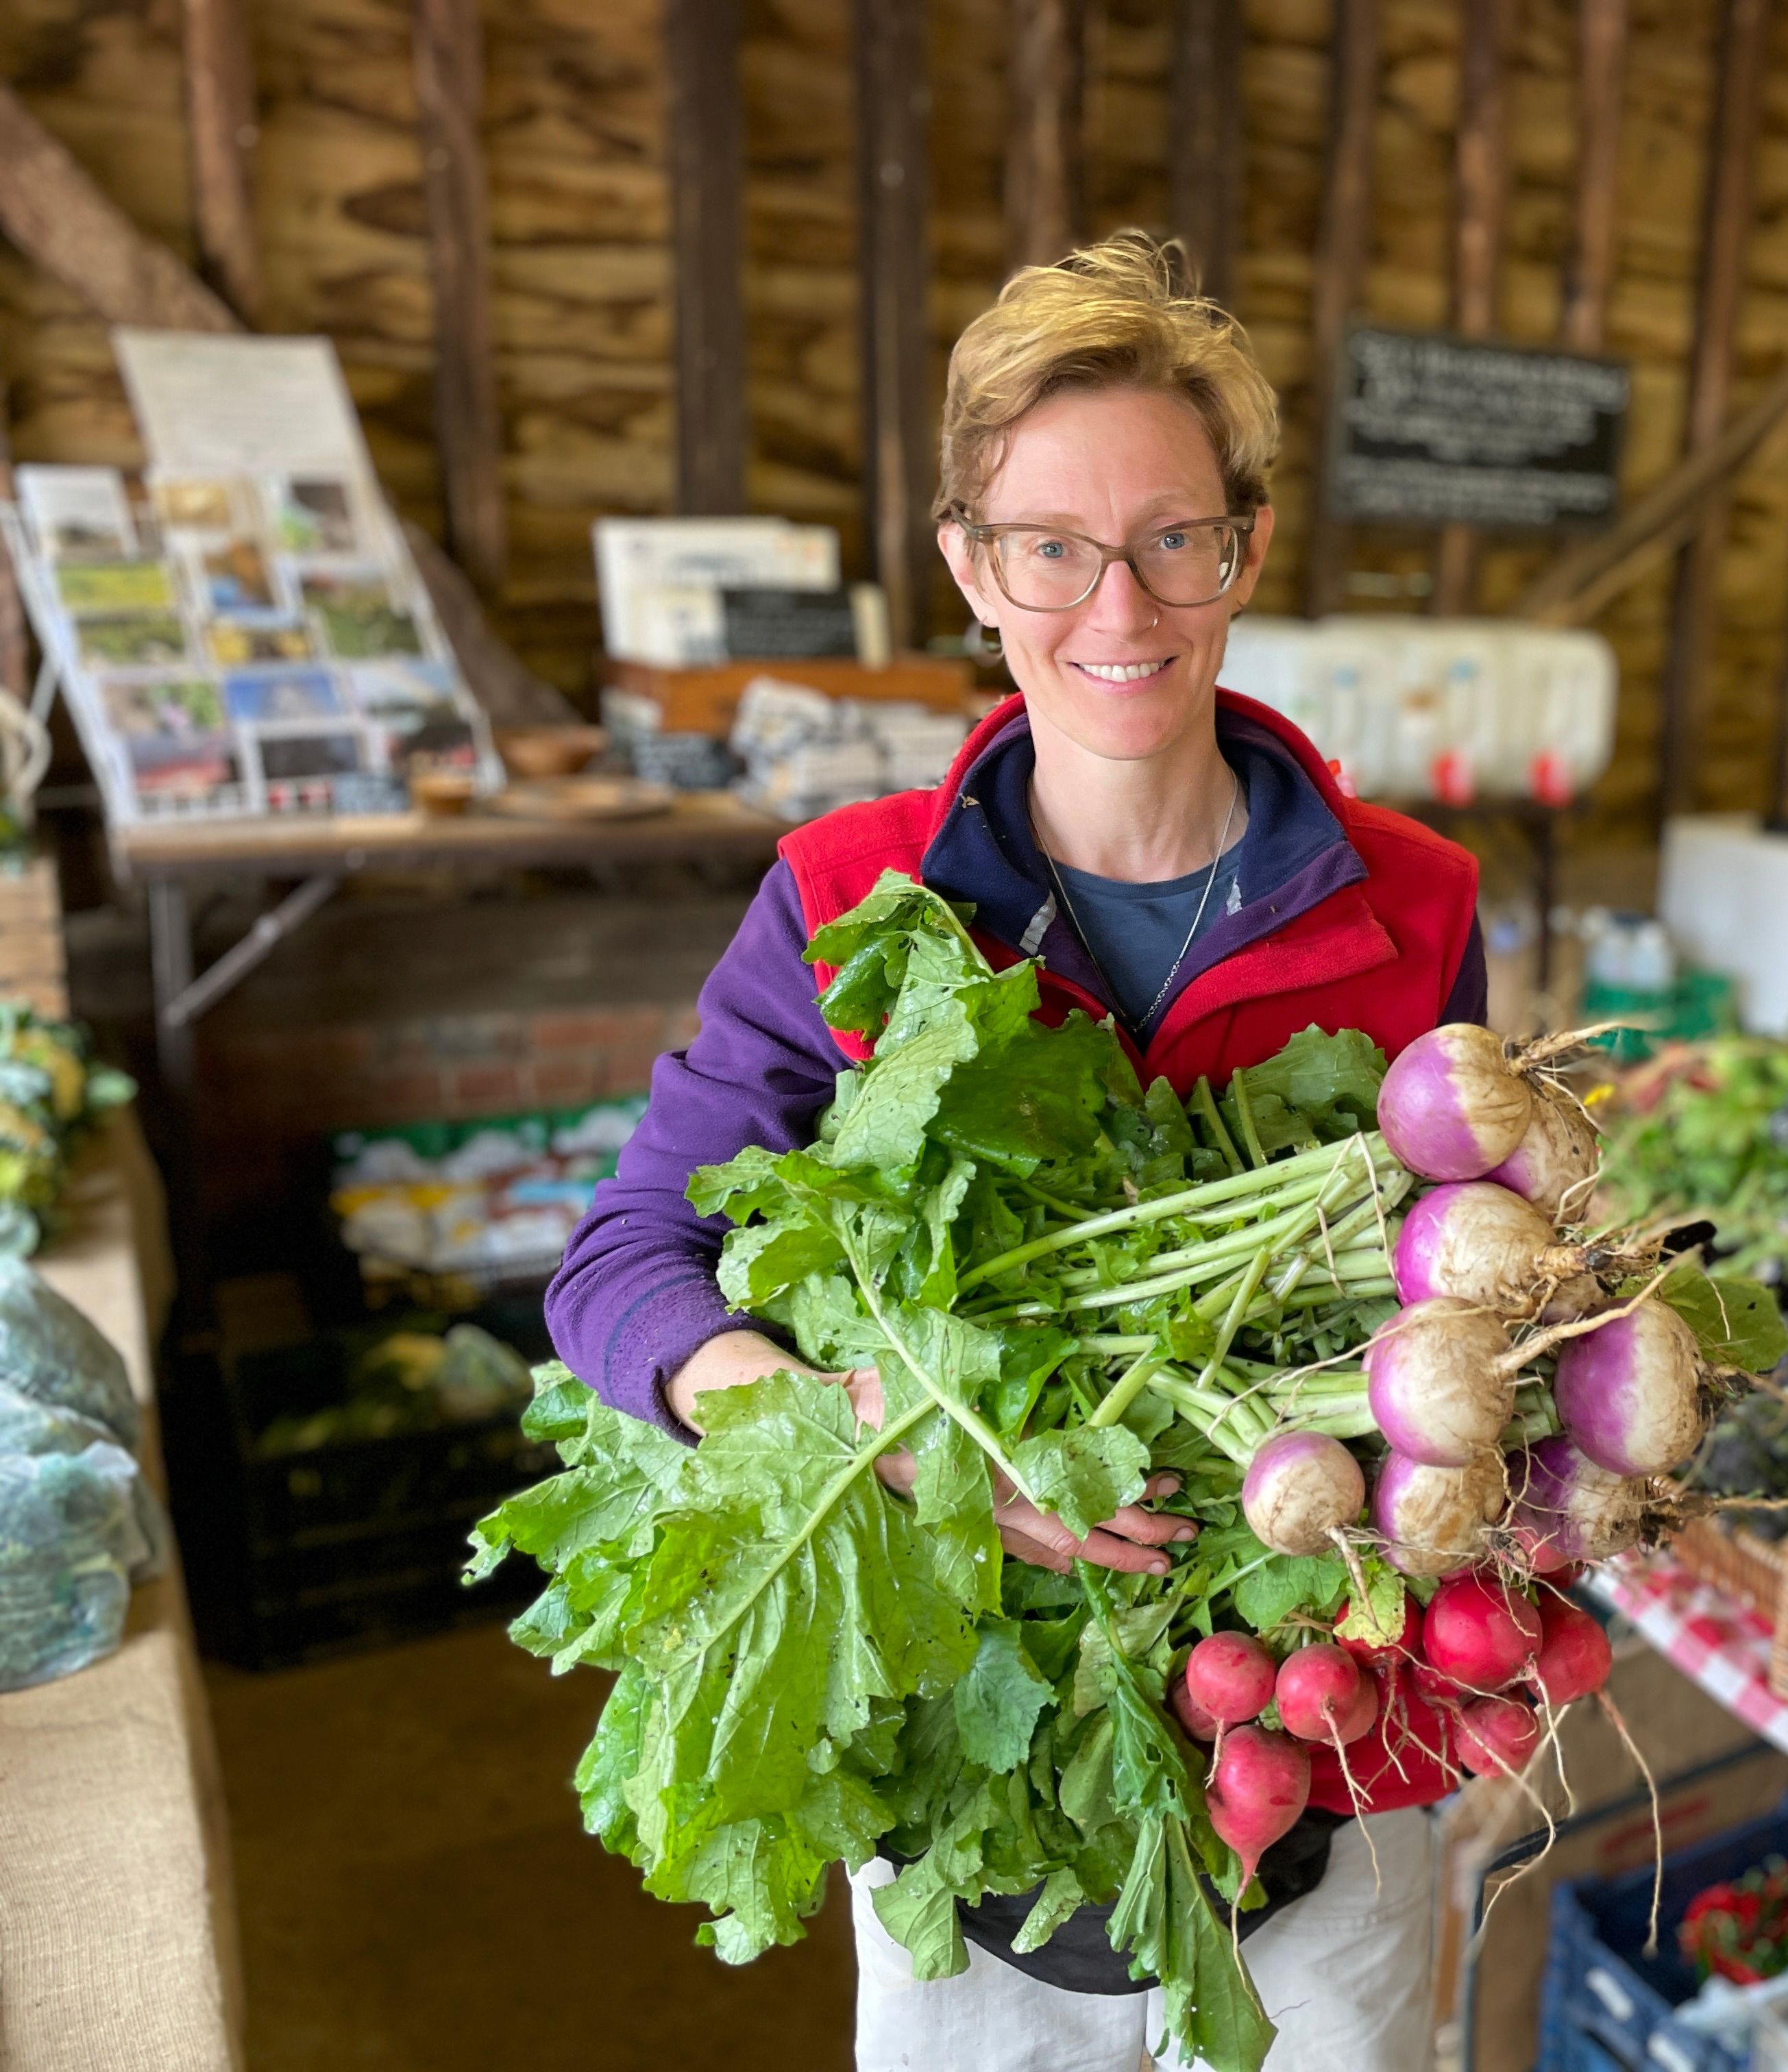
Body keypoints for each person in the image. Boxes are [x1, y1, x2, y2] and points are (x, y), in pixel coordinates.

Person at [544, 232, 1486, 2071]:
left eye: (1171, 538)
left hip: (1334, 1741)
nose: (1116, 603)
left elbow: (1468, 1278)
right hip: (977, 1770)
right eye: (1052, 544)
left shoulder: (1420, 902)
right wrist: (926, 1457)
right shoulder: (849, 896)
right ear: (975, 565)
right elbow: (619, 1270)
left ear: (1247, 549)